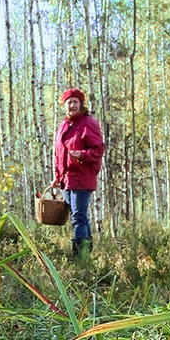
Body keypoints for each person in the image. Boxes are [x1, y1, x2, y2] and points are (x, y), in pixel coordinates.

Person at [53, 87, 105, 257]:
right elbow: (58, 154)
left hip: (82, 178)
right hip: (67, 181)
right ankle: (85, 253)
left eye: (75, 102)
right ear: (64, 105)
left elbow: (98, 149)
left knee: (78, 216)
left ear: (81, 105)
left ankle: (80, 255)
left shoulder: (88, 123)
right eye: (69, 102)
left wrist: (82, 155)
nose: (72, 105)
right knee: (78, 217)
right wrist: (57, 177)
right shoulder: (63, 126)